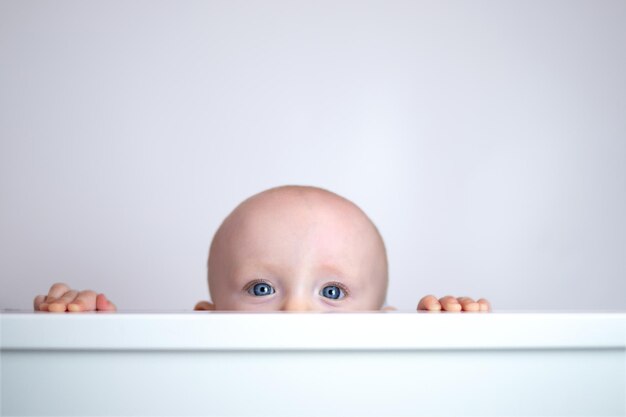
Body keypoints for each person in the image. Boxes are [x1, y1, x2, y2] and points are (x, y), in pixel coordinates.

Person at [33, 185, 491, 313]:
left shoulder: (388, 385)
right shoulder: (193, 381)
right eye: (260, 287)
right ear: (207, 319)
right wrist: (88, 337)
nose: (296, 310)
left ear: (385, 323)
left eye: (331, 292)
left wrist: (446, 338)